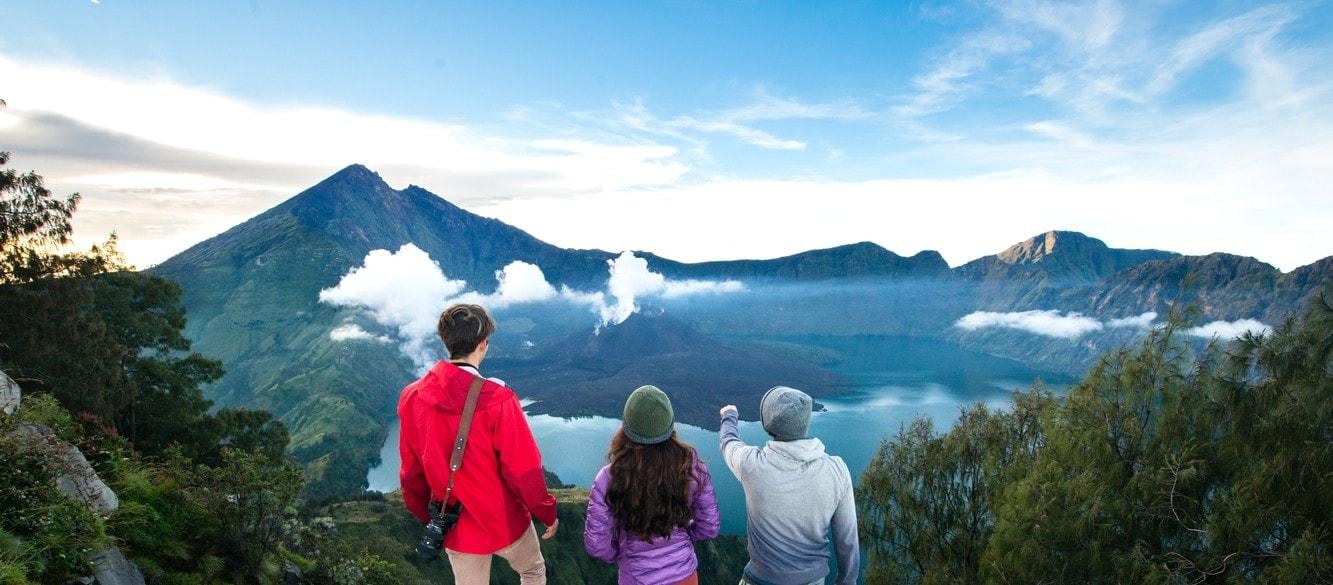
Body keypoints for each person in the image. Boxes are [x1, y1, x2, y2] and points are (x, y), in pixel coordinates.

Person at [398, 303, 558, 585]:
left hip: (456, 527)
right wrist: (546, 510)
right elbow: (524, 470)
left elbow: (411, 472)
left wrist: (430, 516)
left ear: (445, 341)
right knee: (532, 571)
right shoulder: (498, 400)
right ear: (483, 344)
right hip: (505, 522)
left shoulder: (412, 397)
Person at [720, 386, 859, 585]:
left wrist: (729, 416)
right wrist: (847, 582)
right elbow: (847, 540)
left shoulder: (751, 465)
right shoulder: (836, 470)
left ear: (768, 424)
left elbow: (728, 442)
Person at [585, 385, 721, 585]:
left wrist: (621, 551)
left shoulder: (609, 477)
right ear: (669, 426)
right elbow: (709, 527)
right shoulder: (690, 466)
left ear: (627, 427)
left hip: (637, 577)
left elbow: (596, 544)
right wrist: (684, 536)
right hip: (686, 576)